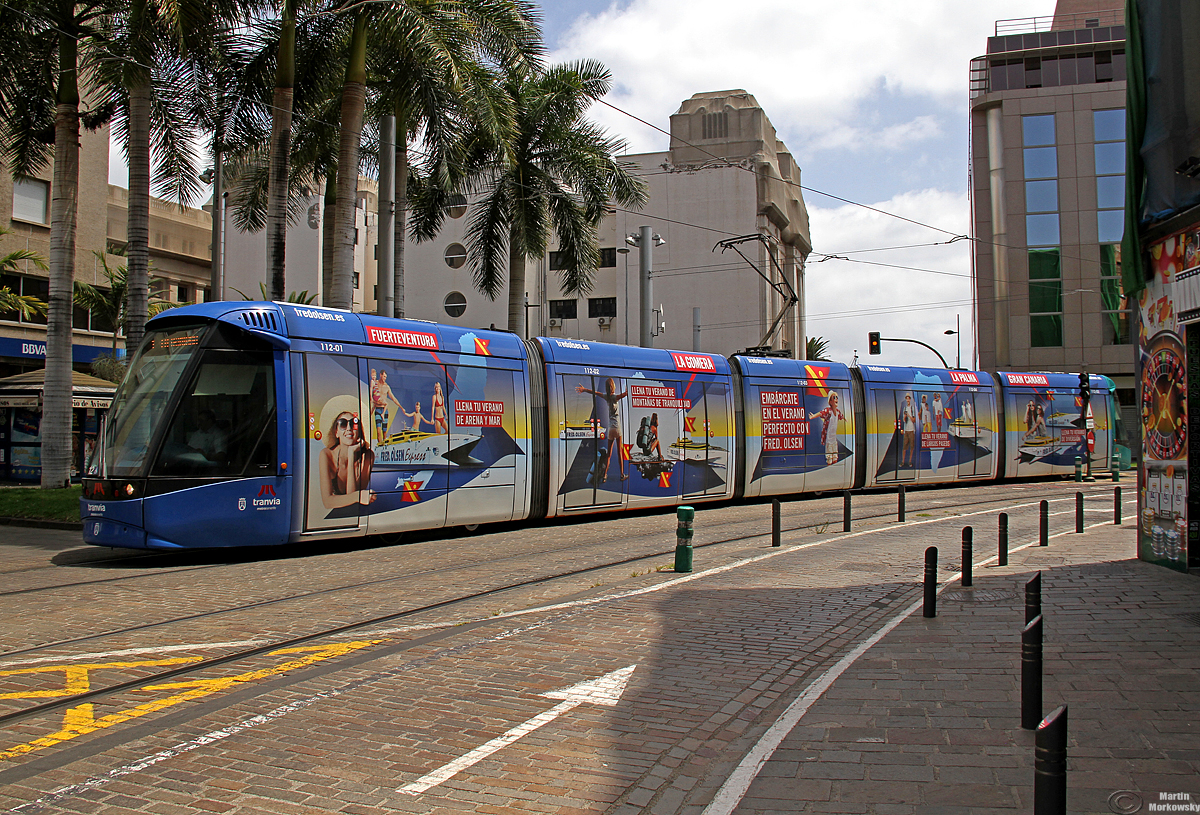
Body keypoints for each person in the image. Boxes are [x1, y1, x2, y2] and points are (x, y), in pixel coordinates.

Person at [576, 378, 629, 482]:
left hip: (610, 428)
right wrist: (627, 391)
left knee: (608, 454)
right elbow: (623, 395)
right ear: (613, 386)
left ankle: (604, 475)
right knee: (619, 453)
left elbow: (595, 392)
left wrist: (584, 389)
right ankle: (622, 474)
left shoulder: (606, 397)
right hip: (617, 427)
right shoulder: (614, 397)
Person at [319, 411, 375, 508]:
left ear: (359, 431)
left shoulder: (368, 456)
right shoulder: (326, 455)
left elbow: (353, 499)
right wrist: (358, 496)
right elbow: (327, 502)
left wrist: (351, 453)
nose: (349, 428)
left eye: (354, 423)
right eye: (343, 424)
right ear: (336, 432)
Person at [809, 392, 844, 465]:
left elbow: (841, 416)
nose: (836, 399)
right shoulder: (829, 411)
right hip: (829, 440)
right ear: (830, 402)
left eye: (837, 397)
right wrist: (813, 416)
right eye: (834, 398)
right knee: (829, 458)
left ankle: (834, 470)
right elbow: (821, 413)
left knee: (835, 457)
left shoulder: (838, 412)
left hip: (834, 440)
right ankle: (829, 467)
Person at [371, 369, 404, 445]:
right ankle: (380, 445)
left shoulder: (387, 387)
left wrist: (401, 407)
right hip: (377, 409)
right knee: (378, 430)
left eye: (386, 377)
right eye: (384, 376)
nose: (385, 378)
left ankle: (384, 447)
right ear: (380, 375)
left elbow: (393, 398)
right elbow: (372, 395)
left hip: (384, 410)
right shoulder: (375, 383)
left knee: (384, 431)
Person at [899, 393, 917, 467]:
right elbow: (904, 420)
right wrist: (905, 416)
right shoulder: (905, 408)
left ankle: (910, 461)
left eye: (908, 398)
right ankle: (903, 461)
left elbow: (914, 420)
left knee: (911, 447)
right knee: (904, 447)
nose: (907, 400)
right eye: (906, 398)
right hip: (906, 430)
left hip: (912, 430)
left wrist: (909, 415)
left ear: (910, 399)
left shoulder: (912, 408)